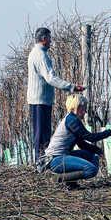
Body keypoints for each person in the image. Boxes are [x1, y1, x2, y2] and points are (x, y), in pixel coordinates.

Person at [26, 27, 85, 165]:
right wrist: (71, 87)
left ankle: (42, 162)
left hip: (38, 99)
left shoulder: (34, 53)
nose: (51, 41)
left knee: (41, 132)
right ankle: (41, 163)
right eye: (50, 38)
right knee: (42, 134)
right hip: (40, 100)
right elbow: (50, 78)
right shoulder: (41, 55)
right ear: (44, 39)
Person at [42, 93, 111, 183]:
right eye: (84, 108)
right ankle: (57, 179)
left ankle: (70, 182)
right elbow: (90, 137)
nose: (85, 111)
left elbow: (81, 144)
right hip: (55, 160)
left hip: (63, 156)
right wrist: (110, 132)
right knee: (91, 170)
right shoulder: (72, 121)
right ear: (78, 107)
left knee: (92, 157)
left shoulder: (72, 119)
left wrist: (98, 151)